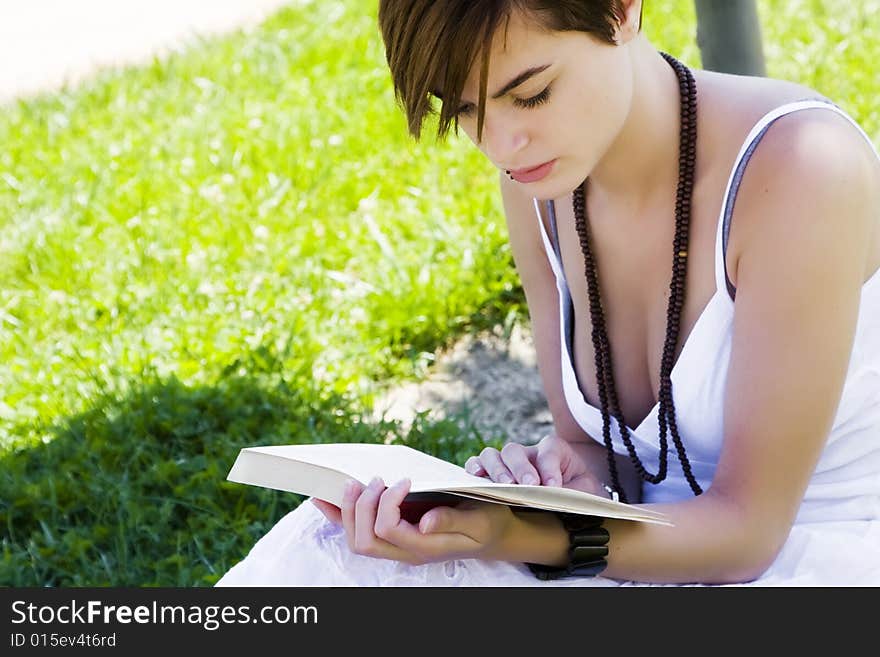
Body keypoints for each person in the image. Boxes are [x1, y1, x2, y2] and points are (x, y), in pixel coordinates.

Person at [217, 0, 880, 586]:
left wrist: (513, 535)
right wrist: (558, 482)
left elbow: (749, 534)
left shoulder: (802, 170)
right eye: (466, 109)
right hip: (636, 545)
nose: (501, 144)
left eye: (530, 94)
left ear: (622, 10)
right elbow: (600, 452)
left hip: (811, 553)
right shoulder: (540, 181)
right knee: (334, 549)